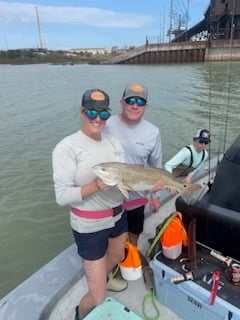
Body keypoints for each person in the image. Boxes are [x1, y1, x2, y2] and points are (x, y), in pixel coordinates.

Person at [52, 89, 129, 320]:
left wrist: (150, 185)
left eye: (103, 113)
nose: (97, 118)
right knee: (97, 298)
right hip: (89, 224)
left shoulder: (114, 142)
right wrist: (96, 186)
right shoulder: (66, 148)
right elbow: (62, 196)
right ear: (82, 112)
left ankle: (100, 280)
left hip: (118, 216)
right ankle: (79, 314)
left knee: (116, 257)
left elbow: (125, 180)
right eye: (92, 112)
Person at [104, 83, 163, 247]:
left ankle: (131, 258)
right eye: (130, 101)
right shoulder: (105, 124)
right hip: (109, 197)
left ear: (146, 107)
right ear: (122, 102)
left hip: (137, 197)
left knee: (134, 233)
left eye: (140, 102)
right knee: (111, 238)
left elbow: (156, 165)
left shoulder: (153, 132)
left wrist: (156, 197)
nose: (135, 106)